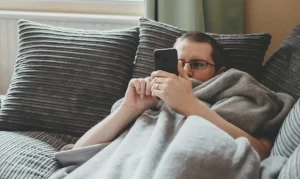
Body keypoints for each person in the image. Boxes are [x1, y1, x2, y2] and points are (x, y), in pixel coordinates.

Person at [73, 32, 272, 161]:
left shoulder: (236, 92)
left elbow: (261, 153)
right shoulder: (148, 97)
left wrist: (189, 105)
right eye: (179, 62)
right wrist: (129, 109)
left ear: (219, 73)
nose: (186, 70)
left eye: (197, 64)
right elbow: (77, 152)